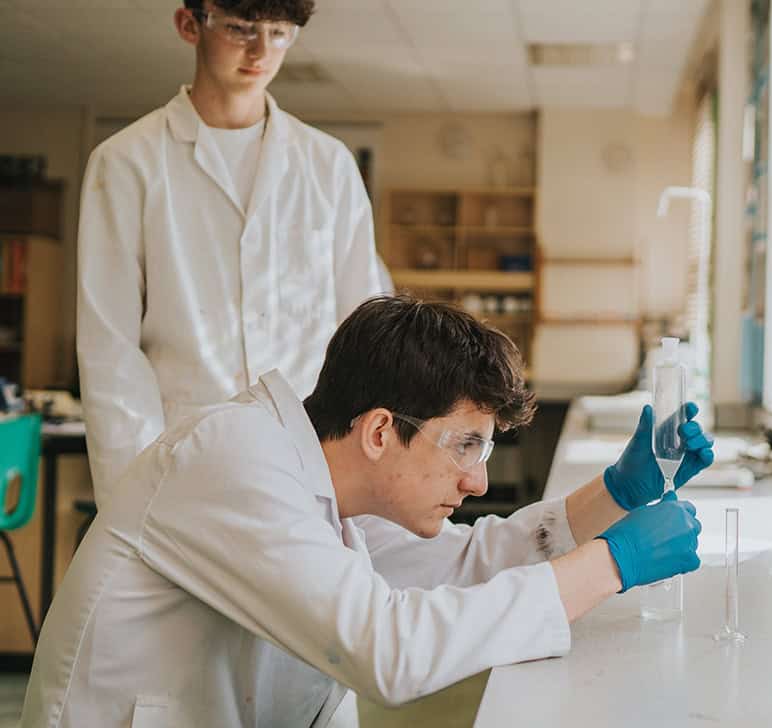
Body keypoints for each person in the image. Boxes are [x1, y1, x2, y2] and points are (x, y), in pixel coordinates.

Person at [23, 296, 714, 727]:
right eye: (465, 446)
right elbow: (389, 650)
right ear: (381, 430)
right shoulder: (232, 463)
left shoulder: (328, 478)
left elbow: (459, 564)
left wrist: (617, 495)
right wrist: (612, 564)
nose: (476, 482)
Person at [76, 0, 384, 508]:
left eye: (280, 32)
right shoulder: (126, 161)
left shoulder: (328, 165)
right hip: (179, 466)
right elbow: (109, 348)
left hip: (307, 462)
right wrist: (131, 502)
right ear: (189, 24)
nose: (261, 50)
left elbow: (364, 327)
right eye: (240, 28)